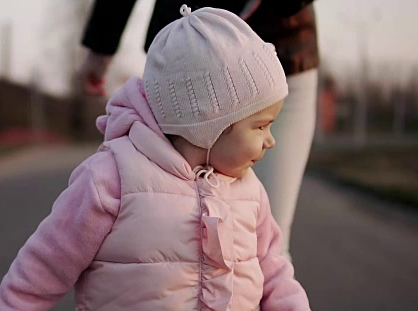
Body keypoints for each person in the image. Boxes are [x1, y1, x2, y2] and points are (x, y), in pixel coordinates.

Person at [0, 6, 326, 311]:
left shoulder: (249, 191)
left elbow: (273, 270)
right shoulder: (112, 179)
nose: (272, 141)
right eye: (260, 126)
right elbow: (42, 266)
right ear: (207, 123)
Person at [80, 0, 319, 258]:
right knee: (171, 245)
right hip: (188, 73)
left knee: (266, 244)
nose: (268, 140)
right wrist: (101, 43)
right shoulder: (105, 181)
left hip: (284, 51)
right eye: (262, 126)